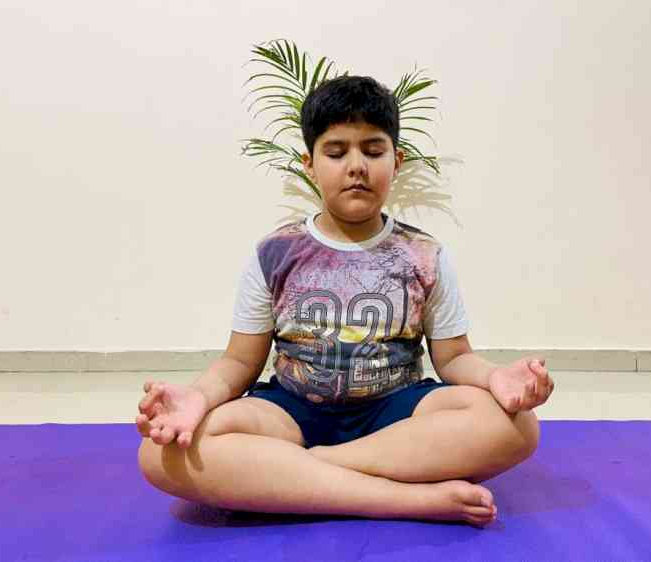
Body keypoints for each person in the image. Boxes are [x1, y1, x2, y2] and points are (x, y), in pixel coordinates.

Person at [136, 75, 554, 528]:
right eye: (336, 153)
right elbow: (239, 363)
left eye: (373, 151)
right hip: (291, 412)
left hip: (398, 415)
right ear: (309, 165)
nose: (356, 166)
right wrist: (197, 398)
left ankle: (293, 473)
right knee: (159, 453)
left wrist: (496, 378)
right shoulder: (275, 252)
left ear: (397, 161)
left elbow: (454, 358)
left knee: (518, 426)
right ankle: (404, 499)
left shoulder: (424, 254)